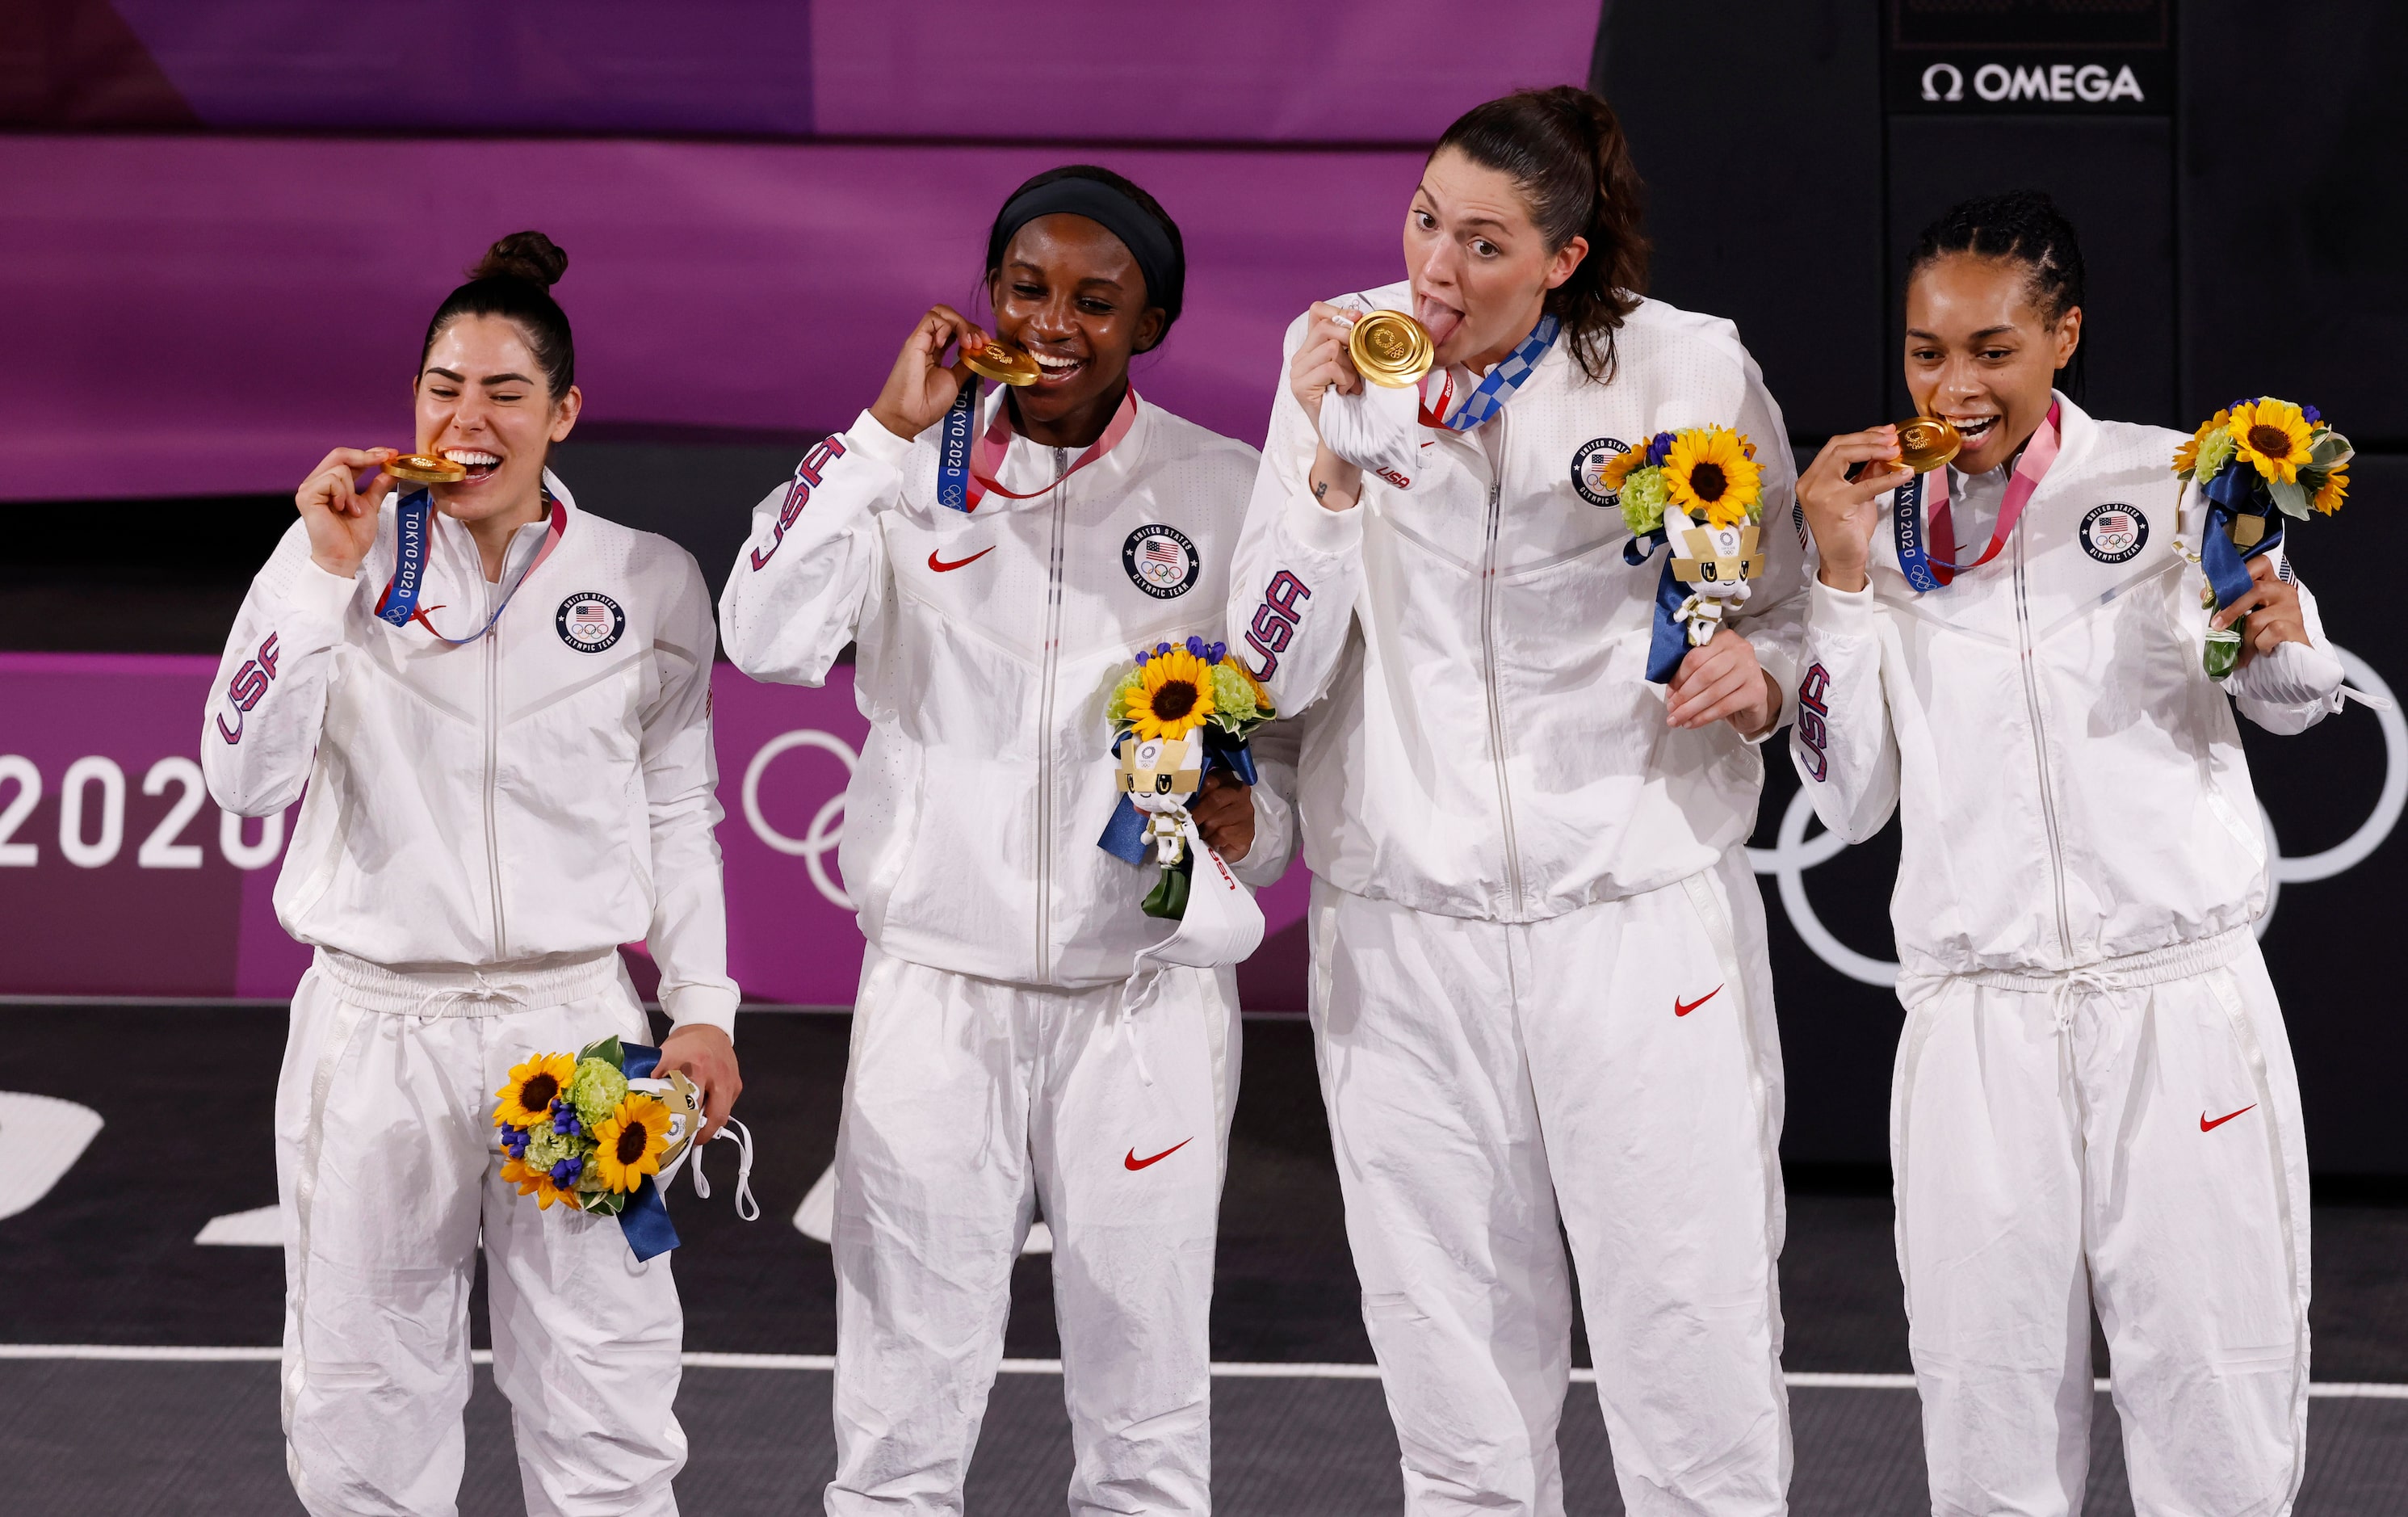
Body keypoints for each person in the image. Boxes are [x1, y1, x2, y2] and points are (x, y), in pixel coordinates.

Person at [1228, 88, 1804, 1515]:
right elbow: (1263, 668)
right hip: (1406, 932)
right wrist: (1323, 465)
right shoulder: (1339, 361)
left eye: (1484, 244)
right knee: (1452, 1374)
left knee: (1692, 1336)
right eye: (1425, 218)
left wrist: (1764, 674)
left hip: (1633, 916)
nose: (1433, 270)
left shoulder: (1689, 370)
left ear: (1565, 257)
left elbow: (1790, 610)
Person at [719, 165, 1296, 1515]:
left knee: (1145, 1422)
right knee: (897, 1425)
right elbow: (759, 636)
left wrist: (1254, 825)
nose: (1054, 321)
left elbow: (1282, 737)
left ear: (1150, 321)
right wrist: (874, 438)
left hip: (1140, 1004)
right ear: (987, 296)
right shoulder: (901, 474)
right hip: (936, 994)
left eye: (1097, 300)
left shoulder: (1223, 490)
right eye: (1027, 288)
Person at [1789, 190, 2336, 1516]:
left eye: (1991, 348)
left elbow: (2293, 698)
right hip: (1978, 1021)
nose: (1955, 383)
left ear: (2063, 337)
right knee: (1987, 1420)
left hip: (2176, 1002)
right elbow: (1844, 792)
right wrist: (1835, 575)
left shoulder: (2172, 477)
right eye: (1927, 351)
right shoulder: (1878, 524)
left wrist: (2281, 640)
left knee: (2212, 1398)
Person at [202, 232, 741, 1517]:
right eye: (444, 386)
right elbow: (240, 777)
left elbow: (679, 806)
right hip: (380, 1027)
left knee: (607, 1395)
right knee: (363, 1407)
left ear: (562, 413)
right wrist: (317, 575)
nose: (468, 417)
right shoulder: (330, 564)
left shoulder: (647, 579)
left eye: (505, 392)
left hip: (575, 1029)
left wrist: (705, 1001)